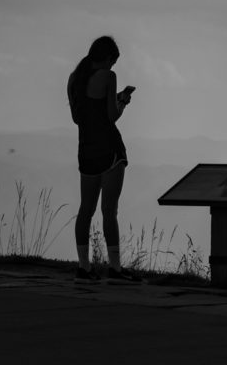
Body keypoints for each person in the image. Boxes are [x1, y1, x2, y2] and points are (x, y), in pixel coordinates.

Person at [67, 35, 141, 284]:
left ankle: (84, 266)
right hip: (109, 151)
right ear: (109, 58)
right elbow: (111, 116)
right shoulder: (108, 77)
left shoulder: (74, 79)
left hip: (86, 149)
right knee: (110, 211)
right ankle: (116, 267)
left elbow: (79, 118)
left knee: (85, 210)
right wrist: (122, 101)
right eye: (113, 62)